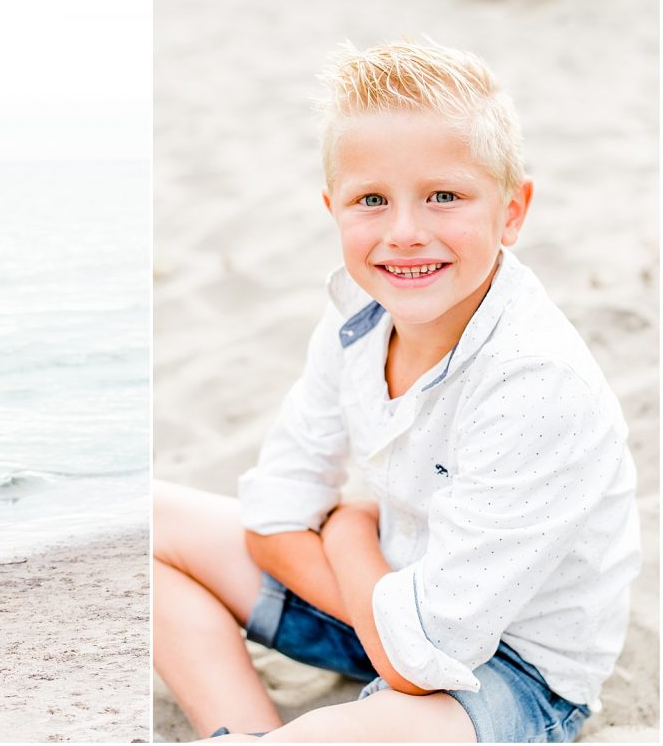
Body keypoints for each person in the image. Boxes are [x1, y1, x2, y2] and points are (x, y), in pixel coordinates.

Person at [153, 40, 640, 743]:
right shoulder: (357, 309)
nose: (405, 233)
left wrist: (350, 531)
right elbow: (273, 513)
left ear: (512, 210)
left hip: (510, 672)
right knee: (152, 522)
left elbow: (422, 661)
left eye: (444, 196)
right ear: (334, 208)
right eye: (371, 200)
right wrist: (376, 601)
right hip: (387, 603)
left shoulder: (536, 380)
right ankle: (247, 731)